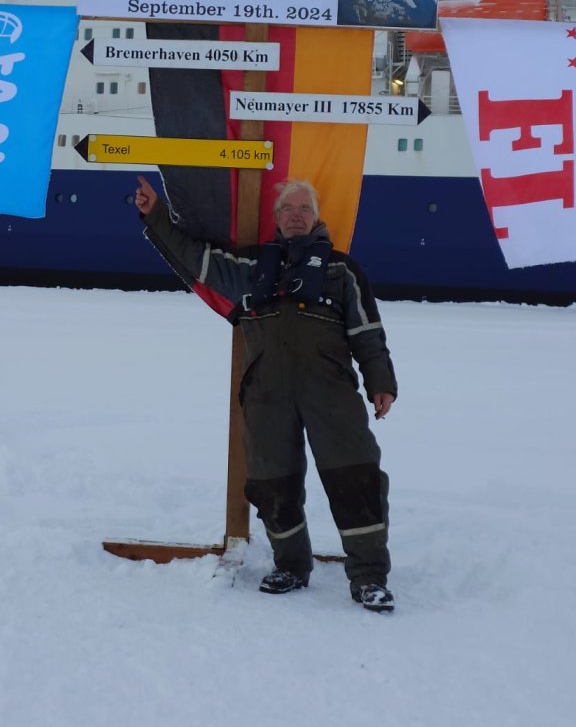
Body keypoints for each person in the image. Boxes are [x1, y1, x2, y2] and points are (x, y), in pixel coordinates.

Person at [134, 174, 398, 612]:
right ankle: (291, 565)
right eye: (287, 209)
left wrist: (381, 382)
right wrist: (156, 214)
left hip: (331, 393)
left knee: (357, 479)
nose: (295, 216)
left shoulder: (342, 270)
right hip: (266, 397)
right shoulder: (250, 267)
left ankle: (369, 576)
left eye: (304, 209)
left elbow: (368, 332)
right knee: (272, 484)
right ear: (276, 218)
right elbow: (196, 258)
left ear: (316, 217)